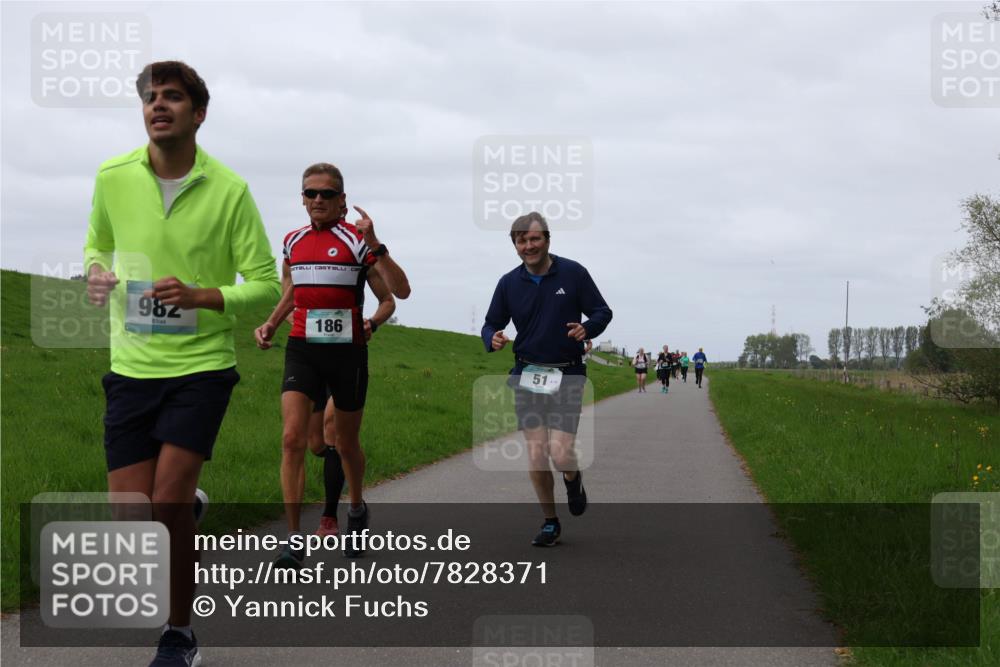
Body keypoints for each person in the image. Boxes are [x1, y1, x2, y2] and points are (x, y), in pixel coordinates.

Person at [84, 61, 281, 667]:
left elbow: (268, 285)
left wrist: (203, 297)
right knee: (132, 523)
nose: (158, 105)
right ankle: (187, 504)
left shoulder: (230, 190)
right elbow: (96, 242)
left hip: (200, 368)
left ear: (198, 113)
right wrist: (95, 272)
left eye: (172, 97)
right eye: (150, 97)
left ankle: (179, 635)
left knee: (166, 510)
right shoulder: (113, 176)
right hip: (132, 367)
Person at [254, 162, 408, 565]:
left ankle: (355, 507)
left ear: (342, 200)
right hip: (302, 347)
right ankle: (292, 539)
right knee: (292, 440)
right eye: (310, 193)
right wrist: (271, 323)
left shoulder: (357, 243)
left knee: (346, 442)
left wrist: (376, 246)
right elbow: (292, 292)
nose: (317, 200)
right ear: (302, 199)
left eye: (326, 194)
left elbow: (399, 293)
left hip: (348, 353)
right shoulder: (292, 241)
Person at [482, 212, 612, 547]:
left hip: (567, 372)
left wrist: (589, 328)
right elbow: (489, 323)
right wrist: (492, 338)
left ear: (548, 240)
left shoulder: (573, 273)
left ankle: (572, 477)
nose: (529, 246)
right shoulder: (508, 283)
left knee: (561, 451)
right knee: (537, 453)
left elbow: (602, 311)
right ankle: (551, 521)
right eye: (522, 241)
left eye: (535, 239)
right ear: (515, 245)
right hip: (527, 372)